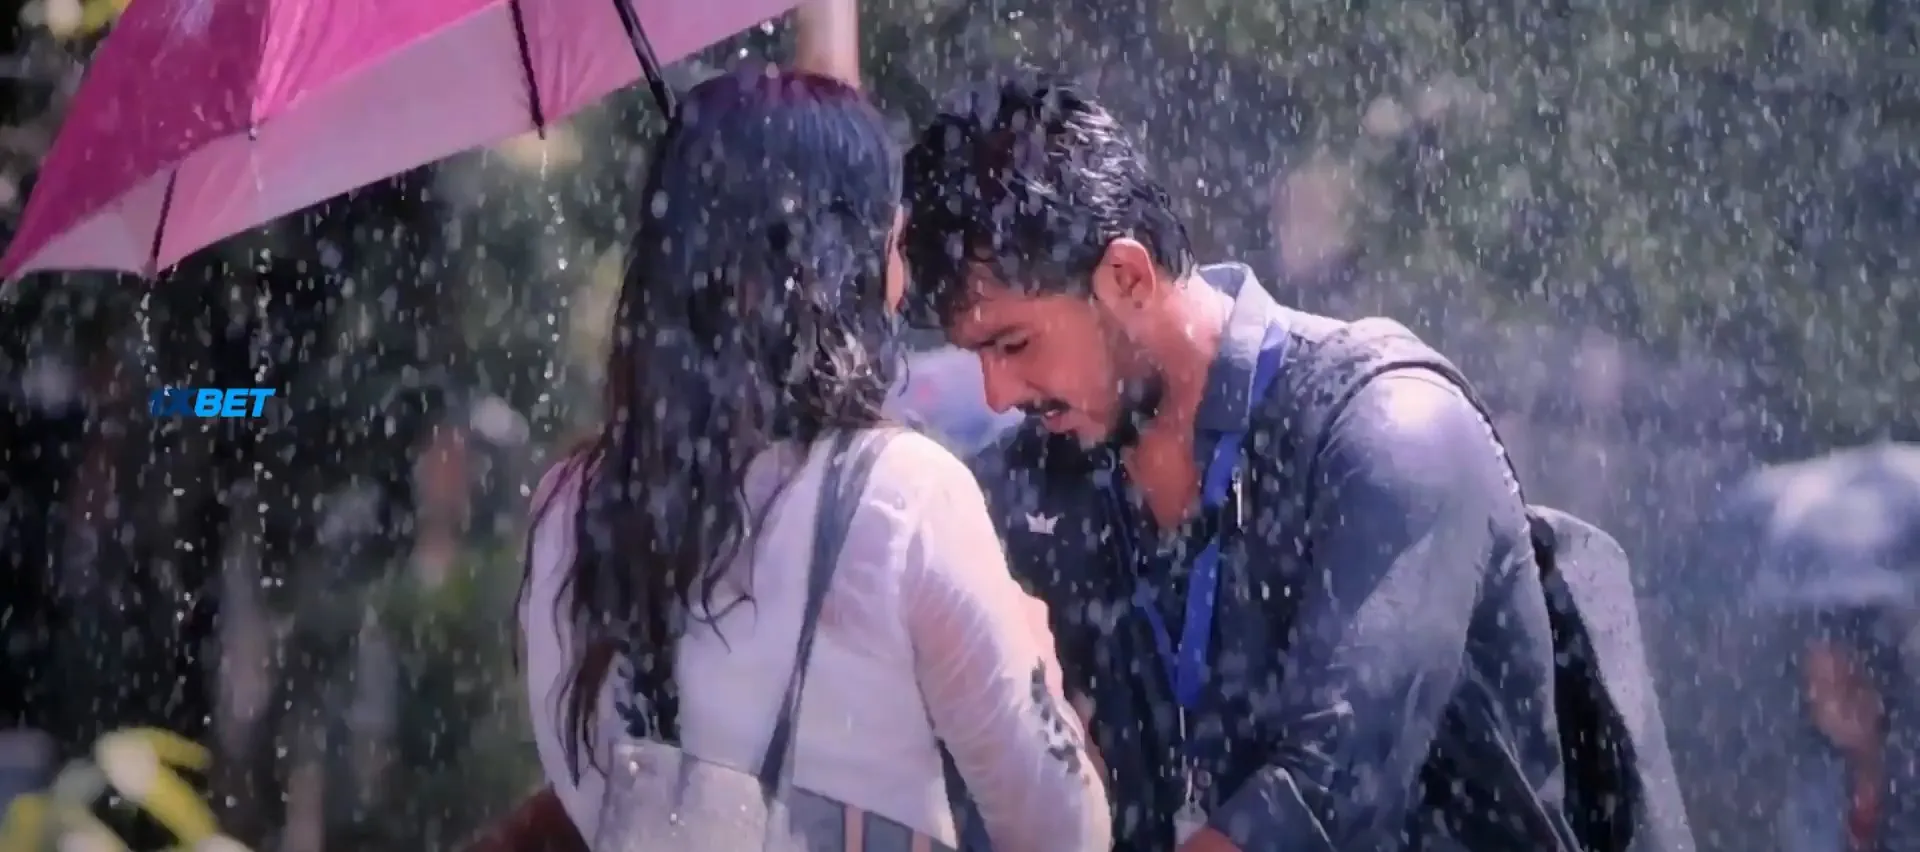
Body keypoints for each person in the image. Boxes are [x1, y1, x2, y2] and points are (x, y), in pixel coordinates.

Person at [900, 72, 1685, 852]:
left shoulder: (1390, 430)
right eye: (977, 357)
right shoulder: (1033, 491)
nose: (997, 393)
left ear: (1127, 277)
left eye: (1013, 344)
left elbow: (1325, 800)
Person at [518, 67, 1110, 852]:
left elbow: (583, 782)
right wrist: (1038, 666)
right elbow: (1061, 829)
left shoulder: (567, 510)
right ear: (845, 262)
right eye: (893, 239)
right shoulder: (904, 497)